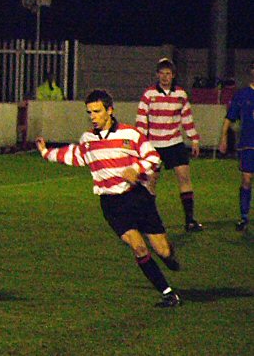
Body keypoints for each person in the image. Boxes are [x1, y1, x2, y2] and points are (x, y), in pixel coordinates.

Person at [36, 89, 181, 307]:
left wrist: (136, 168)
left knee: (163, 250)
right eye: (89, 112)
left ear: (110, 111)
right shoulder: (87, 140)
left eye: (97, 111)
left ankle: (169, 257)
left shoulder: (130, 135)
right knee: (138, 247)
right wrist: (47, 152)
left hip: (138, 198)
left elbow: (154, 158)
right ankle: (167, 293)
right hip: (112, 204)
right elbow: (75, 155)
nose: (92, 116)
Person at [136, 58, 203, 232]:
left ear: (173, 76)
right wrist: (140, 144)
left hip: (175, 143)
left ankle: (190, 221)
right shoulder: (149, 94)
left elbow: (186, 118)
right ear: (157, 75)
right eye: (162, 73)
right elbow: (141, 120)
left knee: (184, 178)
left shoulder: (180, 94)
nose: (165, 77)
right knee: (150, 183)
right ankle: (147, 222)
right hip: (154, 145)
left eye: (168, 74)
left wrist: (194, 138)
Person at [218, 61, 254, 231]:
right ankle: (244, 216)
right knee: (246, 180)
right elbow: (229, 117)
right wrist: (223, 137)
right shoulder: (242, 95)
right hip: (248, 145)